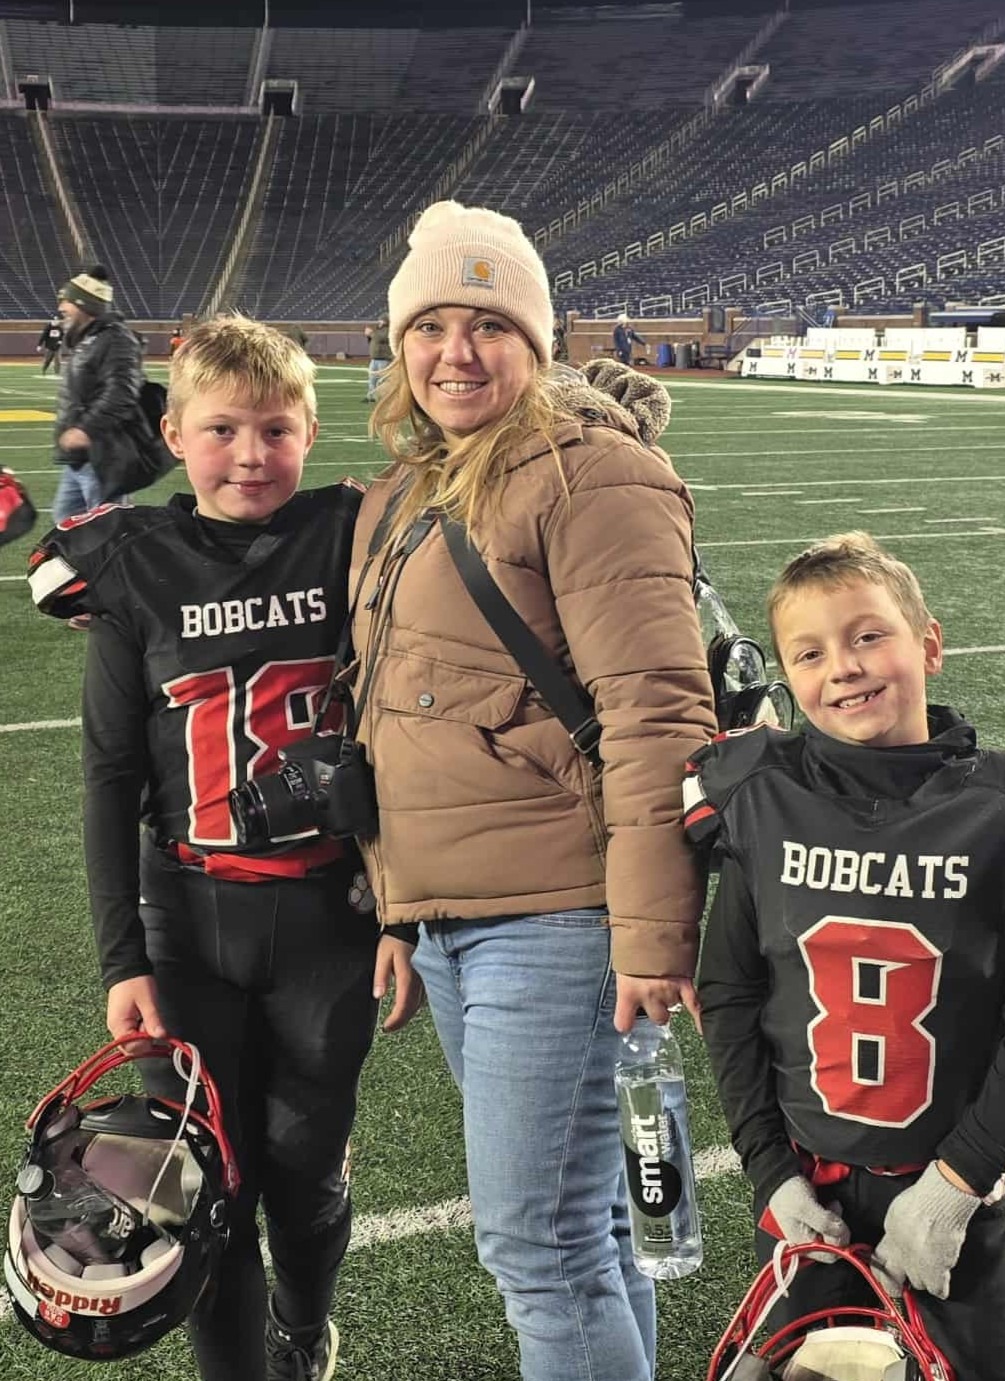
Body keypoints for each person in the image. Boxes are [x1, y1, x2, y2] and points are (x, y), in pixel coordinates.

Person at [350, 200, 717, 1381]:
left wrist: (651, 932)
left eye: (489, 324)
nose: (456, 351)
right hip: (459, 916)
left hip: (560, 916)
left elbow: (657, 712)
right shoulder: (409, 489)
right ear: (400, 344)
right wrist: (398, 906)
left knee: (541, 1247)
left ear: (537, 341)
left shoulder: (592, 472)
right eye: (432, 325)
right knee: (588, 1227)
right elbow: (397, 713)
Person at [27, 314, 422, 1381]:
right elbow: (109, 777)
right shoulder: (135, 562)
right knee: (202, 1182)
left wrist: (404, 912)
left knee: (305, 1172)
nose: (251, 455)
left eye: (276, 430)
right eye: (222, 430)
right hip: (188, 914)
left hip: (329, 914)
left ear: (311, 432)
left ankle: (304, 1322)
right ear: (174, 433)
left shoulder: (351, 530)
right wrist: (123, 959)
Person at [686, 531, 1005, 1381]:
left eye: (868, 635)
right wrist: (770, 1173)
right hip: (811, 1190)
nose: (843, 666)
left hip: (954, 1185)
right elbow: (729, 995)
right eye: (810, 652)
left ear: (930, 643)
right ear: (786, 674)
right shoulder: (762, 794)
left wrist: (955, 1185)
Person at [51, 264, 169, 529]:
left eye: (67, 301)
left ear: (84, 305)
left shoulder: (115, 339)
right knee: (67, 522)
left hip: (104, 455)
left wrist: (85, 430)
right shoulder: (89, 340)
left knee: (108, 529)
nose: (61, 308)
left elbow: (122, 392)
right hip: (81, 458)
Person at [364, 316, 390, 401]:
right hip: (374, 358)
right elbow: (374, 341)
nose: (379, 322)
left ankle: (383, 397)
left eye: (381, 320)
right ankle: (371, 396)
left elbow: (382, 338)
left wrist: (371, 334)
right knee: (372, 379)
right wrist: (368, 336)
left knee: (382, 380)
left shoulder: (388, 330)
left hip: (384, 359)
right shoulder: (377, 331)